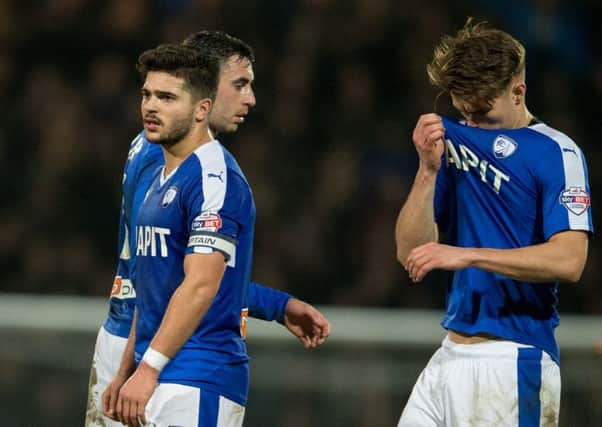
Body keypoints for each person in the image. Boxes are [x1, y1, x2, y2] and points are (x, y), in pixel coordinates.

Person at [85, 32, 330, 427]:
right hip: (157, 344)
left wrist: (274, 304)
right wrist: (139, 366)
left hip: (148, 342)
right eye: (239, 84)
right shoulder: (162, 155)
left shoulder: (163, 154)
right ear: (204, 91)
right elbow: (177, 279)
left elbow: (187, 272)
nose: (249, 99)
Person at [395, 20, 592, 426]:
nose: (473, 125)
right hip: (448, 354)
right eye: (464, 113)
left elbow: (570, 259)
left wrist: (467, 255)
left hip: (513, 358)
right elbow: (409, 253)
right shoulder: (454, 146)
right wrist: (427, 171)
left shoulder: (557, 153)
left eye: (483, 113)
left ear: (518, 91)